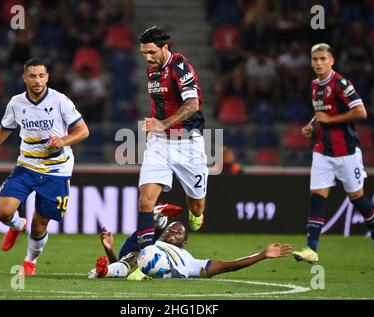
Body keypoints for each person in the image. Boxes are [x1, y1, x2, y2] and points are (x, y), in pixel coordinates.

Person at [0, 58, 89, 275]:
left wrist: (63, 141)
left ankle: (30, 261)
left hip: (56, 170)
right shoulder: (16, 103)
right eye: (32, 76)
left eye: (41, 76)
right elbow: (4, 129)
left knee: (40, 225)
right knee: (3, 212)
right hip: (27, 165)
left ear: (47, 77)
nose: (37, 80)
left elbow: (83, 131)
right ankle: (16, 225)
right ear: (24, 78)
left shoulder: (60, 100)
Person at [292, 43, 374, 264]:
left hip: (346, 151)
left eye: (323, 59)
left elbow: (361, 112)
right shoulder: (315, 85)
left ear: (332, 60)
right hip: (322, 151)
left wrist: (331, 120)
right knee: (317, 197)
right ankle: (312, 249)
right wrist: (311, 126)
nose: (318, 63)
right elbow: (322, 113)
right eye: (315, 59)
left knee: (356, 197)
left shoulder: (341, 84)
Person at [136, 25, 209, 250]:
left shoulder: (180, 67)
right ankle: (143, 257)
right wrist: (153, 127)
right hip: (159, 144)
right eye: (144, 54)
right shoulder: (153, 71)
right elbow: (160, 104)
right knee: (145, 201)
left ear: (164, 47)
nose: (147, 58)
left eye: (151, 53)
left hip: (188, 144)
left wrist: (163, 124)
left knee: (196, 208)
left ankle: (196, 214)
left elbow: (192, 104)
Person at [89, 221, 292, 280]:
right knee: (139, 253)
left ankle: (108, 271)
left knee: (144, 255)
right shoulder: (153, 243)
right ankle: (106, 271)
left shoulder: (190, 260)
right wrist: (109, 251)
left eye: (178, 232)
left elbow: (226, 266)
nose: (172, 232)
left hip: (166, 268)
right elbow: (127, 259)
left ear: (184, 242)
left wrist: (262, 255)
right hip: (138, 262)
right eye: (170, 229)